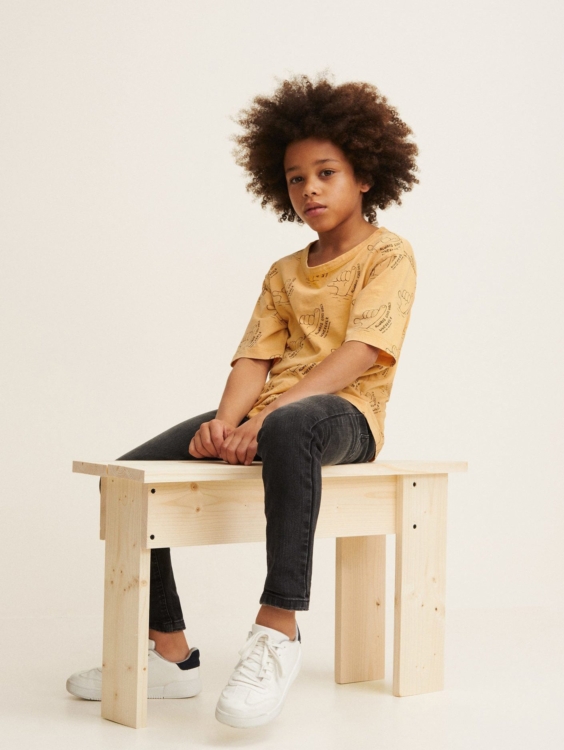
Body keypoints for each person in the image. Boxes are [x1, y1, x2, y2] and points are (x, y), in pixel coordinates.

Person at [66, 71, 419, 728]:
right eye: (295, 178)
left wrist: (268, 417)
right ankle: (169, 654)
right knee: (129, 474)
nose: (309, 189)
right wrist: (225, 424)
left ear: (366, 175)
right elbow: (254, 359)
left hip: (345, 417)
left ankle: (278, 627)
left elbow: (361, 352)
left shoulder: (388, 255)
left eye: (326, 173)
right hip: (270, 416)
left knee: (290, 428)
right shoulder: (284, 272)